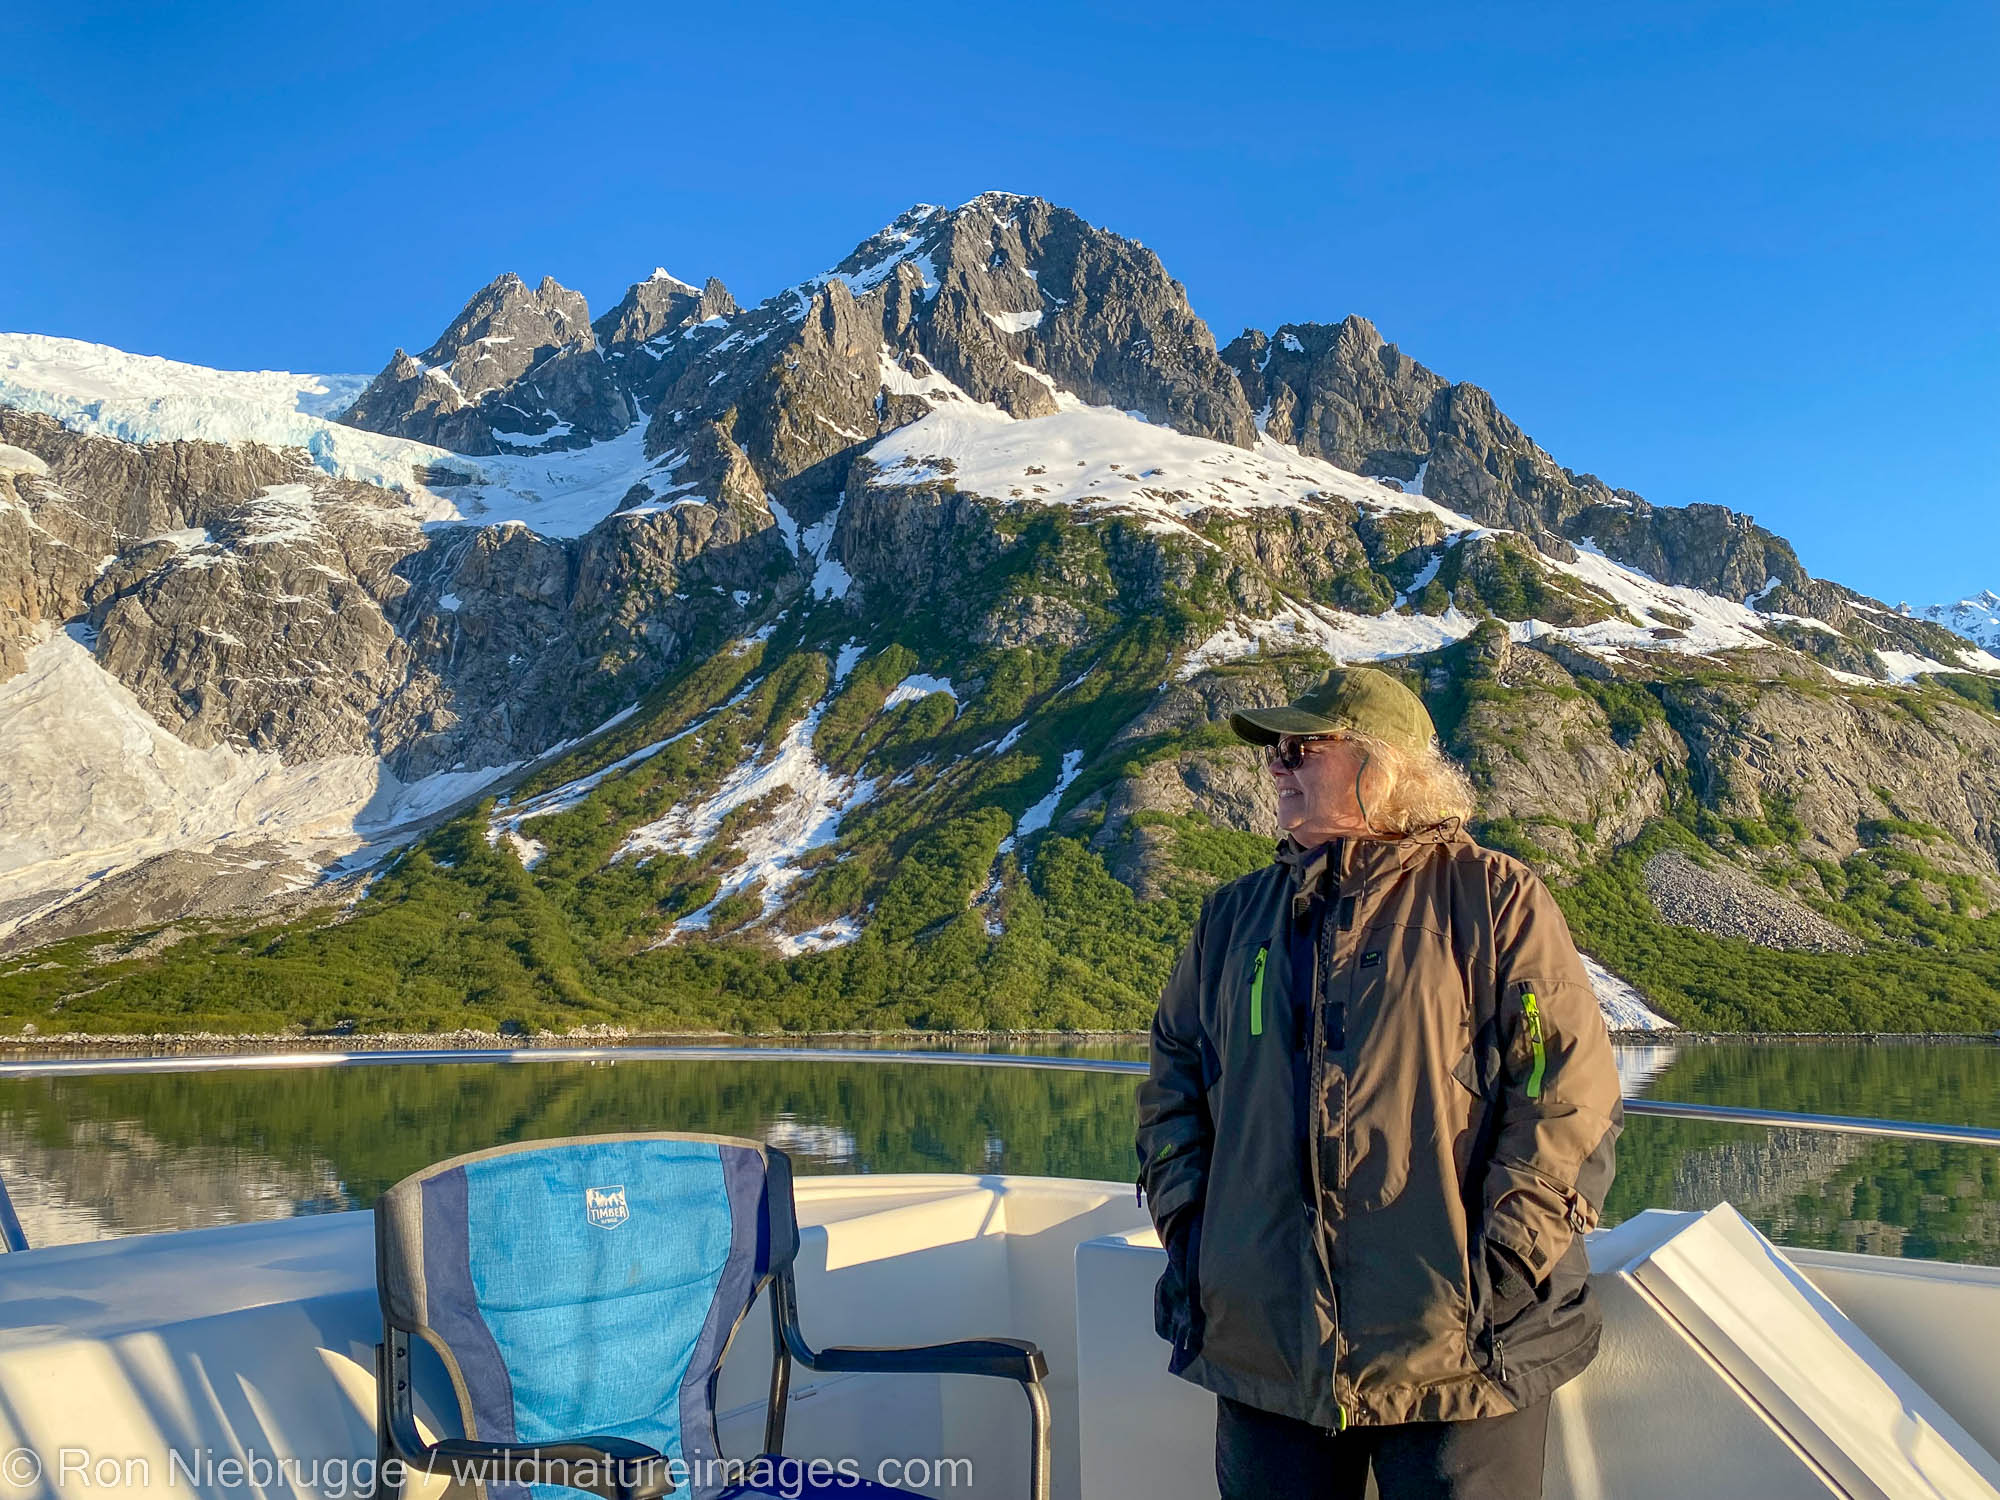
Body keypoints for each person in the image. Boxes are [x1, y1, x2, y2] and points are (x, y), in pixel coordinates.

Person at [1134, 666, 1622, 1500]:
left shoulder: (1496, 900)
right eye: (1275, 751)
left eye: (1301, 746)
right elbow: (1173, 1084)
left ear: (1383, 766)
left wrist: (1501, 1267)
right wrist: (1191, 1233)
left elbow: (1564, 1091)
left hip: (1458, 1347)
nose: (1276, 765)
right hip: (1267, 1348)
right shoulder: (1232, 919)